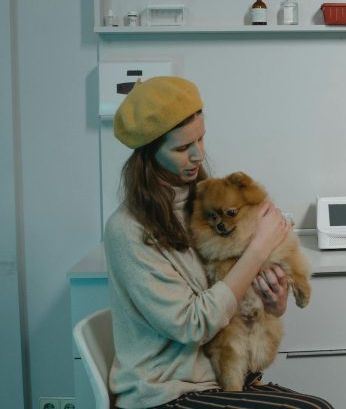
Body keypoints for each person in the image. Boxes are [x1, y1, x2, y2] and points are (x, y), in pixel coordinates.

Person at [103, 76, 333, 409]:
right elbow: (193, 325)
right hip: (166, 392)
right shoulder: (128, 231)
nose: (198, 155)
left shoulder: (202, 203)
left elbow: (230, 296)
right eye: (182, 148)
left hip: (220, 376)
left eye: (201, 138)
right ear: (149, 155)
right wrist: (257, 251)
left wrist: (274, 301)